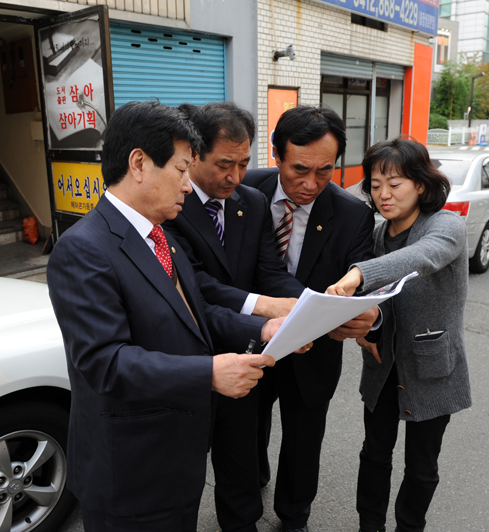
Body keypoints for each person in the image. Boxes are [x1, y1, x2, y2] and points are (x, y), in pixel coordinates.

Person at [47, 101, 285, 532]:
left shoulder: (160, 237)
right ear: (139, 163)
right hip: (131, 471)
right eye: (180, 170)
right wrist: (209, 373)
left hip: (177, 459)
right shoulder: (84, 249)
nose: (187, 186)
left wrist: (263, 326)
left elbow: (197, 315)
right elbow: (106, 361)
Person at [163, 101, 305, 532]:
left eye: (244, 163)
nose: (236, 177)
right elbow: (195, 283)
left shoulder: (252, 203)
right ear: (194, 156)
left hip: (244, 360)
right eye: (225, 164)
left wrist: (308, 305)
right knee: (180, 474)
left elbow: (270, 272)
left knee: (241, 468)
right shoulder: (170, 205)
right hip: (191, 359)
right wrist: (261, 308)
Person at [326, 137, 472, 532]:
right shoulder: (375, 235)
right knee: (374, 454)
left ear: (420, 184)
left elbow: (422, 257)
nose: (383, 195)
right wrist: (366, 325)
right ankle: (369, 525)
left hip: (431, 366)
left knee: (422, 466)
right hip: (382, 364)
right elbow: (380, 304)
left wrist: (359, 272)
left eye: (395, 183)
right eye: (375, 185)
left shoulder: (445, 225)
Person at [243, 105, 378, 532]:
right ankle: (251, 488)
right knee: (246, 432)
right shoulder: (247, 190)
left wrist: (368, 315)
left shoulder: (353, 213)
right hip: (251, 341)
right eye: (300, 169)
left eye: (325, 171)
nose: (311, 183)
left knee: (303, 442)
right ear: (277, 154)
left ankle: (293, 515)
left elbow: (365, 279)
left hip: (314, 350)